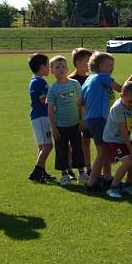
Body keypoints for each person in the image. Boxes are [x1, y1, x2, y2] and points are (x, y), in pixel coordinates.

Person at [81, 52, 132, 191]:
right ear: (99, 65)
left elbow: (79, 101)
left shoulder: (89, 79)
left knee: (103, 150)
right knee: (102, 153)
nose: (112, 68)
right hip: (98, 119)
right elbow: (123, 90)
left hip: (89, 119)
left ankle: (107, 178)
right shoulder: (102, 77)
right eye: (109, 65)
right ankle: (91, 184)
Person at [47, 56, 85, 186]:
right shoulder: (52, 89)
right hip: (60, 126)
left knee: (78, 149)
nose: (61, 69)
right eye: (57, 67)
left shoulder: (75, 84)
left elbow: (81, 103)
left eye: (63, 66)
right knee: (61, 151)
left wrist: (82, 120)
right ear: (51, 70)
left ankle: (82, 172)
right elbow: (51, 110)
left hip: (75, 124)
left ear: (68, 68)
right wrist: (53, 127)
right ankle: (64, 175)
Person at [101, 81, 132, 198]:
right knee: (128, 162)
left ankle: (128, 185)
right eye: (130, 101)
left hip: (124, 140)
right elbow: (123, 131)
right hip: (112, 139)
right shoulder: (117, 108)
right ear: (121, 96)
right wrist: (130, 148)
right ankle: (113, 188)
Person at [27, 53, 54, 183]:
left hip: (39, 117)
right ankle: (37, 171)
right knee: (48, 146)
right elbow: (44, 100)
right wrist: (57, 98)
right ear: (42, 66)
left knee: (42, 146)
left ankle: (41, 171)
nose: (49, 68)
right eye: (48, 65)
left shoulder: (36, 81)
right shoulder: (39, 82)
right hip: (41, 117)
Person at [68, 48, 93, 176]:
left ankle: (88, 167)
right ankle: (69, 167)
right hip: (73, 117)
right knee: (73, 143)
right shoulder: (71, 80)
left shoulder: (91, 78)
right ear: (77, 62)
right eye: (88, 60)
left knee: (86, 141)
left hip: (88, 116)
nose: (91, 63)